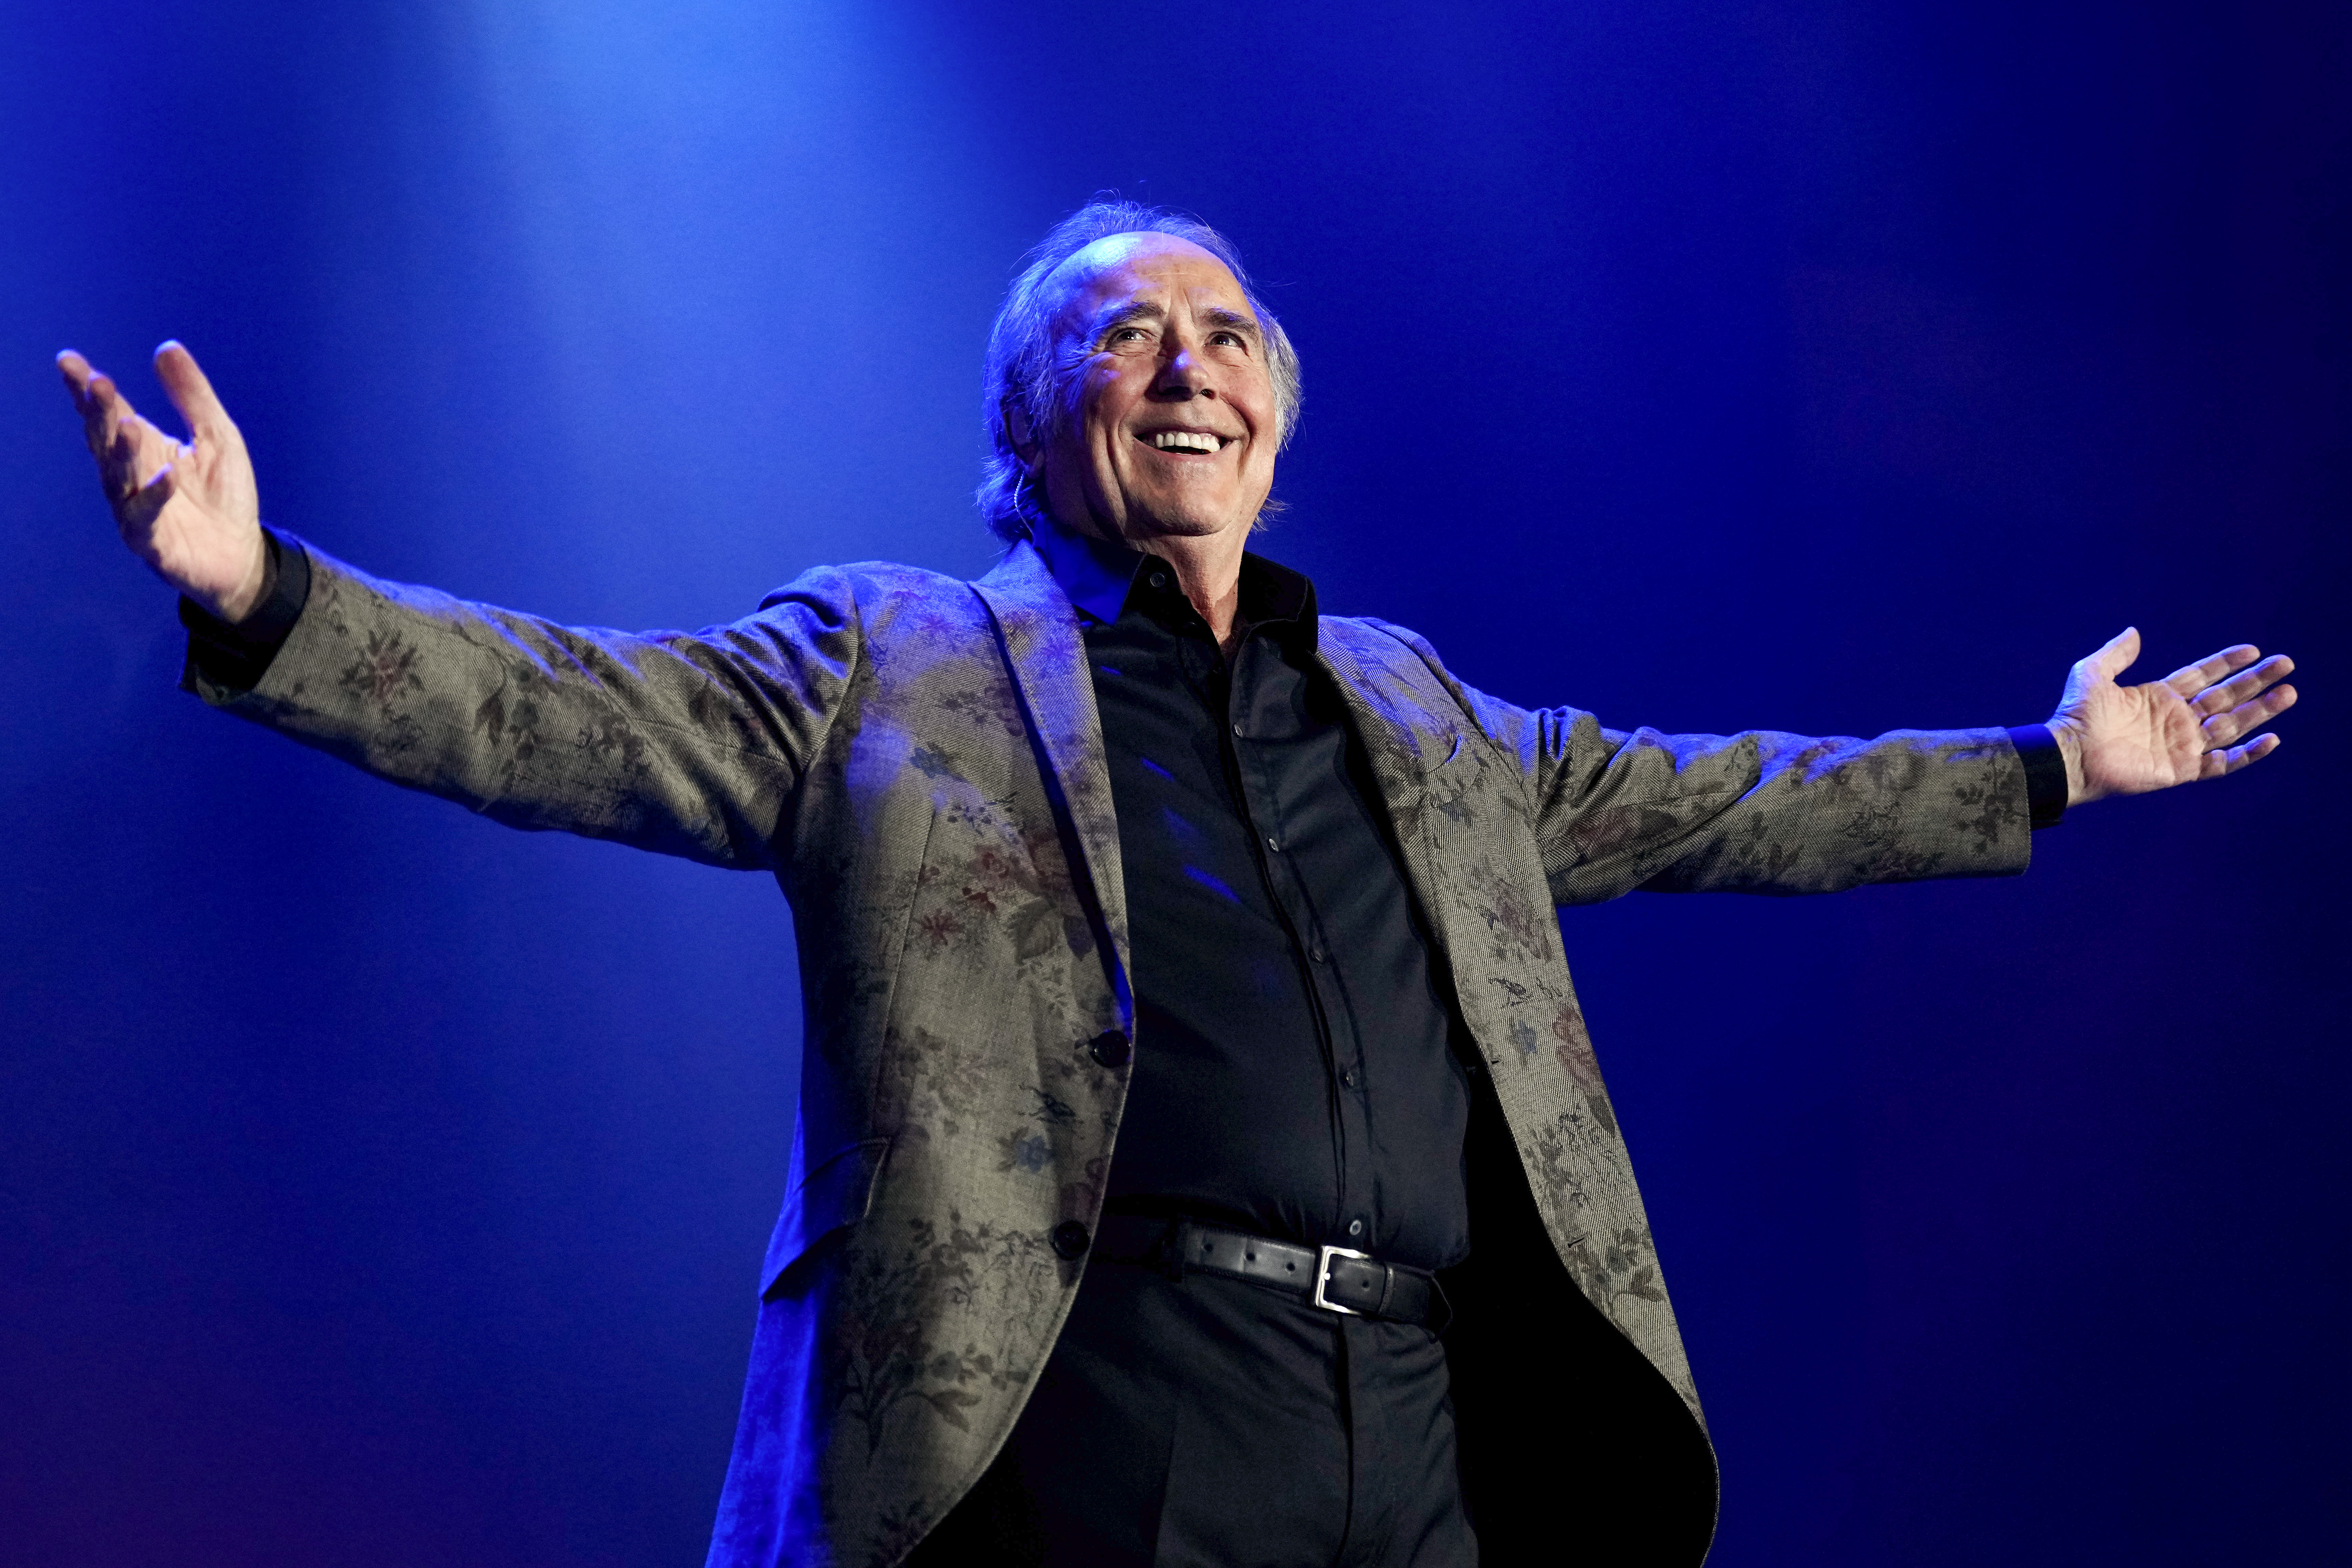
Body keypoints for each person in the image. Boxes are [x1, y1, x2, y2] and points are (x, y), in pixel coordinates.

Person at [57, 201, 2295, 1568]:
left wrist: (2042, 768)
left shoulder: (1411, 706)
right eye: (1125, 335)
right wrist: (265, 594)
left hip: (1416, 1429)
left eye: (1223, 335)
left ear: (1275, 424)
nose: (1187, 365)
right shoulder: (894, 663)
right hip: (1096, 1421)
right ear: (1030, 424)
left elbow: (1717, 801)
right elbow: (571, 712)